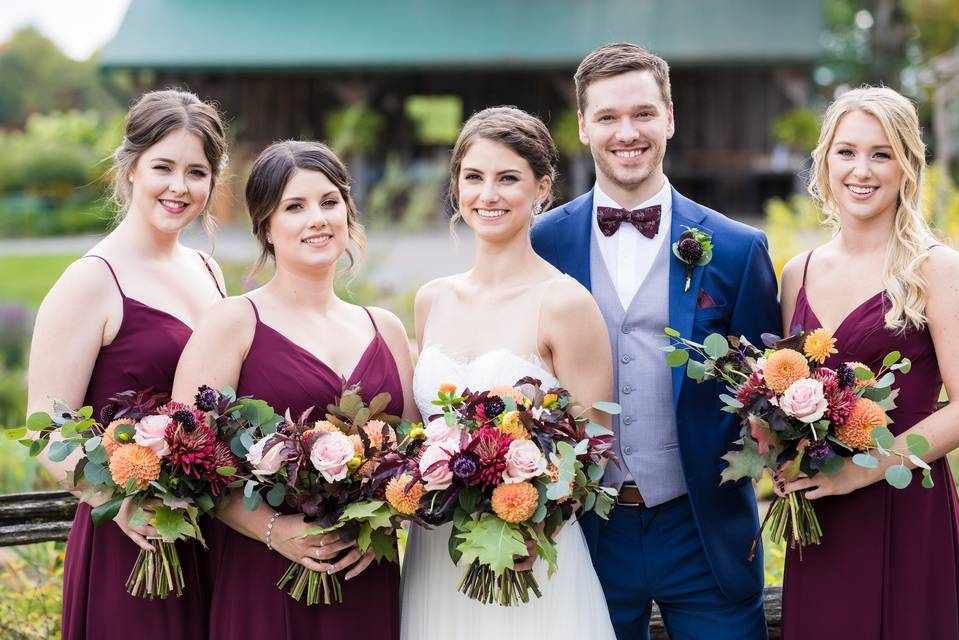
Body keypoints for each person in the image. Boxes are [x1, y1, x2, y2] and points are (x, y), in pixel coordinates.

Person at [531, 43, 780, 639]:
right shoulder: (540, 244)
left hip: (705, 532)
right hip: (581, 530)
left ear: (670, 118)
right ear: (584, 126)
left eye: (643, 113)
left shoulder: (740, 249)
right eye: (609, 117)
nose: (628, 132)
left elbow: (768, 392)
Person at [172, 140, 415, 639]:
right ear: (265, 225)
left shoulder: (385, 327)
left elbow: (409, 456)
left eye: (329, 202)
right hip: (265, 573)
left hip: (367, 572)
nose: (318, 219)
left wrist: (382, 522)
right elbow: (187, 459)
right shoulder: (234, 322)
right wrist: (274, 530)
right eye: (295, 207)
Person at [401, 106, 616, 639]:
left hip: (529, 552)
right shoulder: (431, 299)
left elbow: (594, 445)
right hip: (438, 554)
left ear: (542, 188)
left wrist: (533, 524)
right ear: (456, 186)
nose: (487, 194)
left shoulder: (565, 303)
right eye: (473, 177)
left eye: (507, 178)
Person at [27, 89, 228, 640]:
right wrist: (117, 503)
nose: (179, 187)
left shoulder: (208, 270)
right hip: (131, 541)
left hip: (205, 527)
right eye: (163, 166)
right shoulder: (92, 280)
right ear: (131, 168)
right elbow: (46, 428)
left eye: (196, 171)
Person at [777, 87, 959, 638]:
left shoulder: (935, 269)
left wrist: (858, 473)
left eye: (881, 154)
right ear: (825, 160)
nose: (862, 170)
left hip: (908, 507)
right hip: (820, 520)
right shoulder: (797, 272)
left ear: (907, 166)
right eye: (846, 151)